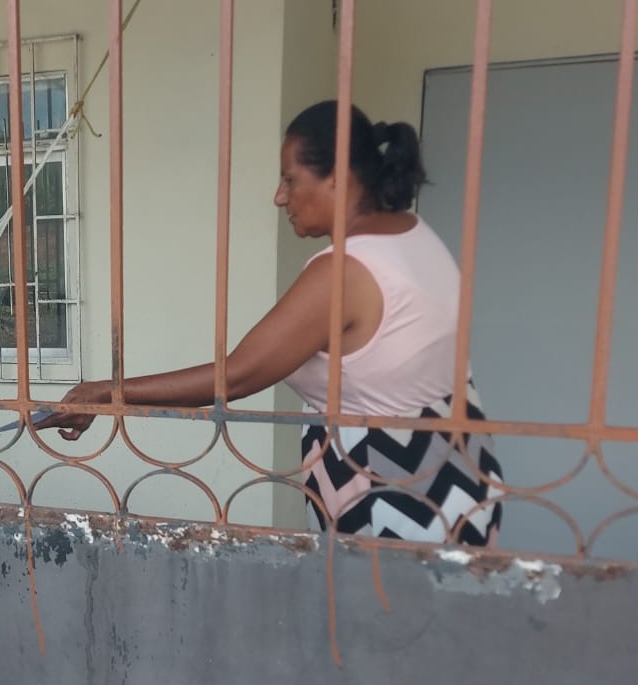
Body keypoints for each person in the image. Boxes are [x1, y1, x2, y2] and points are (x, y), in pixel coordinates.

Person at [48, 100, 502, 545]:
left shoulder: (344, 271)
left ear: (337, 179)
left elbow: (238, 375)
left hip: (393, 497)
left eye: (290, 179)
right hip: (458, 476)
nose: (280, 196)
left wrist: (106, 393)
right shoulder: (413, 233)